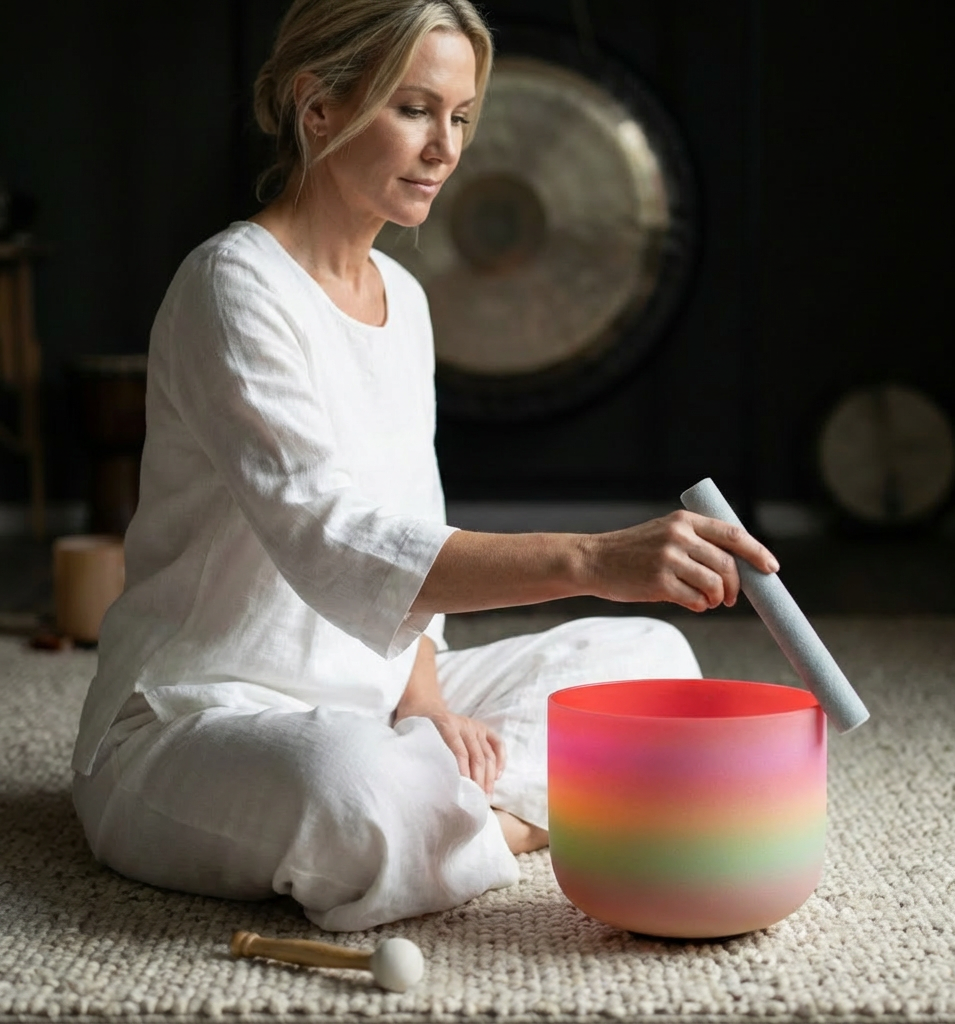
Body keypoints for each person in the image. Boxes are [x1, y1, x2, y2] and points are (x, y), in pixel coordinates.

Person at [71, 0, 780, 933]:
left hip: (375, 700)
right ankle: (503, 821)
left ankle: (451, 819)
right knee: (353, 789)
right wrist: (592, 561)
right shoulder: (230, 285)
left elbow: (409, 518)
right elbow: (337, 543)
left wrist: (428, 702)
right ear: (316, 107)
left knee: (652, 657)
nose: (445, 148)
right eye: (414, 109)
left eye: (459, 116)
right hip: (198, 713)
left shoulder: (403, 299)